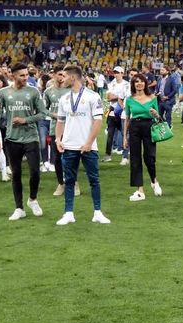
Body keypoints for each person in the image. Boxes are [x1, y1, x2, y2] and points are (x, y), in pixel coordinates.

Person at [55, 65, 110, 225]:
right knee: (69, 181)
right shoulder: (64, 98)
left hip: (88, 147)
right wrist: (58, 139)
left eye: (64, 76)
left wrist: (88, 142)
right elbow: (60, 121)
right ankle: (68, 213)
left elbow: (98, 121)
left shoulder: (93, 96)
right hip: (69, 146)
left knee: (94, 180)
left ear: (73, 77)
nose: (61, 79)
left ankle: (98, 212)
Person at [0, 62, 49, 220]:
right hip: (12, 139)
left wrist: (26, 120)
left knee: (35, 172)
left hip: (31, 137)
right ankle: (19, 208)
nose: (26, 78)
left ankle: (33, 199)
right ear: (12, 75)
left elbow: (42, 113)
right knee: (16, 174)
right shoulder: (3, 93)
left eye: (27, 75)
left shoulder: (34, 91)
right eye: (22, 75)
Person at [122, 74, 163, 202]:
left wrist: (155, 114)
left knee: (149, 157)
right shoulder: (129, 99)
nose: (139, 84)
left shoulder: (152, 98)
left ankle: (154, 180)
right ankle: (140, 190)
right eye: (136, 82)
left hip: (149, 126)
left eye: (141, 82)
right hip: (134, 127)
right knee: (135, 158)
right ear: (133, 85)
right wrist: (125, 136)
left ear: (145, 84)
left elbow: (158, 117)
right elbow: (127, 118)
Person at [43, 65, 80, 197]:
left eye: (64, 75)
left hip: (71, 129)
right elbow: (43, 109)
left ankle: (74, 182)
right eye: (59, 74)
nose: (62, 77)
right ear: (54, 75)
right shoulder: (48, 92)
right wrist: (53, 114)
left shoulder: (71, 90)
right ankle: (61, 183)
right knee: (57, 158)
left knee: (71, 157)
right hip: (55, 128)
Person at [103, 66, 129, 163]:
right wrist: (119, 97)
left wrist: (117, 97)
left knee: (124, 133)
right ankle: (108, 154)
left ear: (122, 73)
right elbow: (109, 97)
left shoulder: (127, 84)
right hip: (113, 110)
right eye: (115, 72)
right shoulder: (111, 84)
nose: (116, 74)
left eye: (118, 72)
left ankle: (125, 155)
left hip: (123, 111)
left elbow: (126, 97)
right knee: (110, 133)